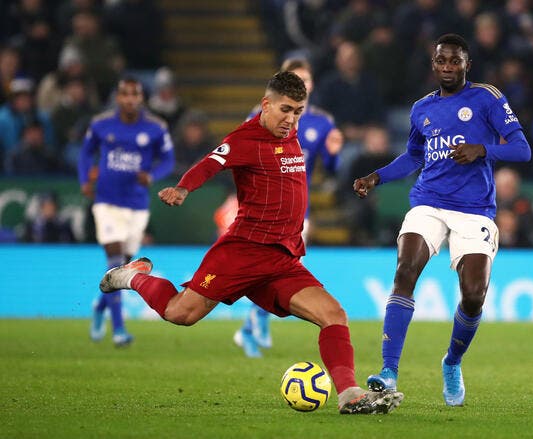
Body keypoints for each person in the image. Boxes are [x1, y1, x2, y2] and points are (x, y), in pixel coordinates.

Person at [98, 71, 402, 414]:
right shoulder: (245, 139)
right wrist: (184, 188)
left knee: (334, 315)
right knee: (180, 313)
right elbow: (211, 164)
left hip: (281, 258)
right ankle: (133, 275)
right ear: (266, 105)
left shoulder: (293, 132)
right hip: (242, 252)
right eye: (285, 110)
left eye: (298, 111)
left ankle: (349, 394)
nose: (291, 119)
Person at [353, 34, 531, 406]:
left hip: (474, 209)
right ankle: (388, 372)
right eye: (441, 61)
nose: (447, 68)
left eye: (455, 61)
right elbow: (413, 156)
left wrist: (483, 149)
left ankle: (452, 361)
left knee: (473, 295)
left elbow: (522, 148)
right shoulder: (421, 109)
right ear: (433, 64)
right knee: (405, 270)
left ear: (467, 64)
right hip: (428, 201)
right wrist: (376, 177)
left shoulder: (487, 97)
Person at [234, 58, 344, 358]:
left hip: (297, 211)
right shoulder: (263, 115)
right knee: (276, 269)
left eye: (306, 80)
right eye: (296, 79)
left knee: (280, 270)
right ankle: (252, 324)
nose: (302, 85)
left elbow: (331, 169)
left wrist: (334, 154)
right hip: (264, 206)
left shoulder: (322, 122)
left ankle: (251, 324)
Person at [78, 77, 175, 347]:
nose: (130, 99)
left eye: (135, 94)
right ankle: (119, 330)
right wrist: (86, 179)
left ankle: (99, 308)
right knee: (114, 260)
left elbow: (168, 159)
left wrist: (153, 175)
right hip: (107, 202)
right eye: (124, 94)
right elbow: (86, 153)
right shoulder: (101, 124)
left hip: (137, 205)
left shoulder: (155, 128)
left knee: (123, 269)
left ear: (141, 98)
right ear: (117, 98)